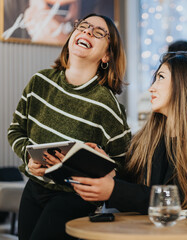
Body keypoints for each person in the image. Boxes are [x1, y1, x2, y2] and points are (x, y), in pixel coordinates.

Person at [7, 13, 131, 240]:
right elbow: (16, 130)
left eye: (98, 32)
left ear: (106, 55)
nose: (87, 32)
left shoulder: (107, 105)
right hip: (34, 189)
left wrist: (105, 162)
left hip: (74, 199)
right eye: (83, 27)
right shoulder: (40, 82)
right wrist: (29, 158)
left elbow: (124, 165)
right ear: (72, 36)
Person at [69, 51, 187, 213]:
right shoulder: (150, 136)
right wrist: (108, 170)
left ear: (185, 83)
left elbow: (183, 199)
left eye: (160, 78)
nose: (151, 88)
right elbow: (140, 190)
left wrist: (115, 190)